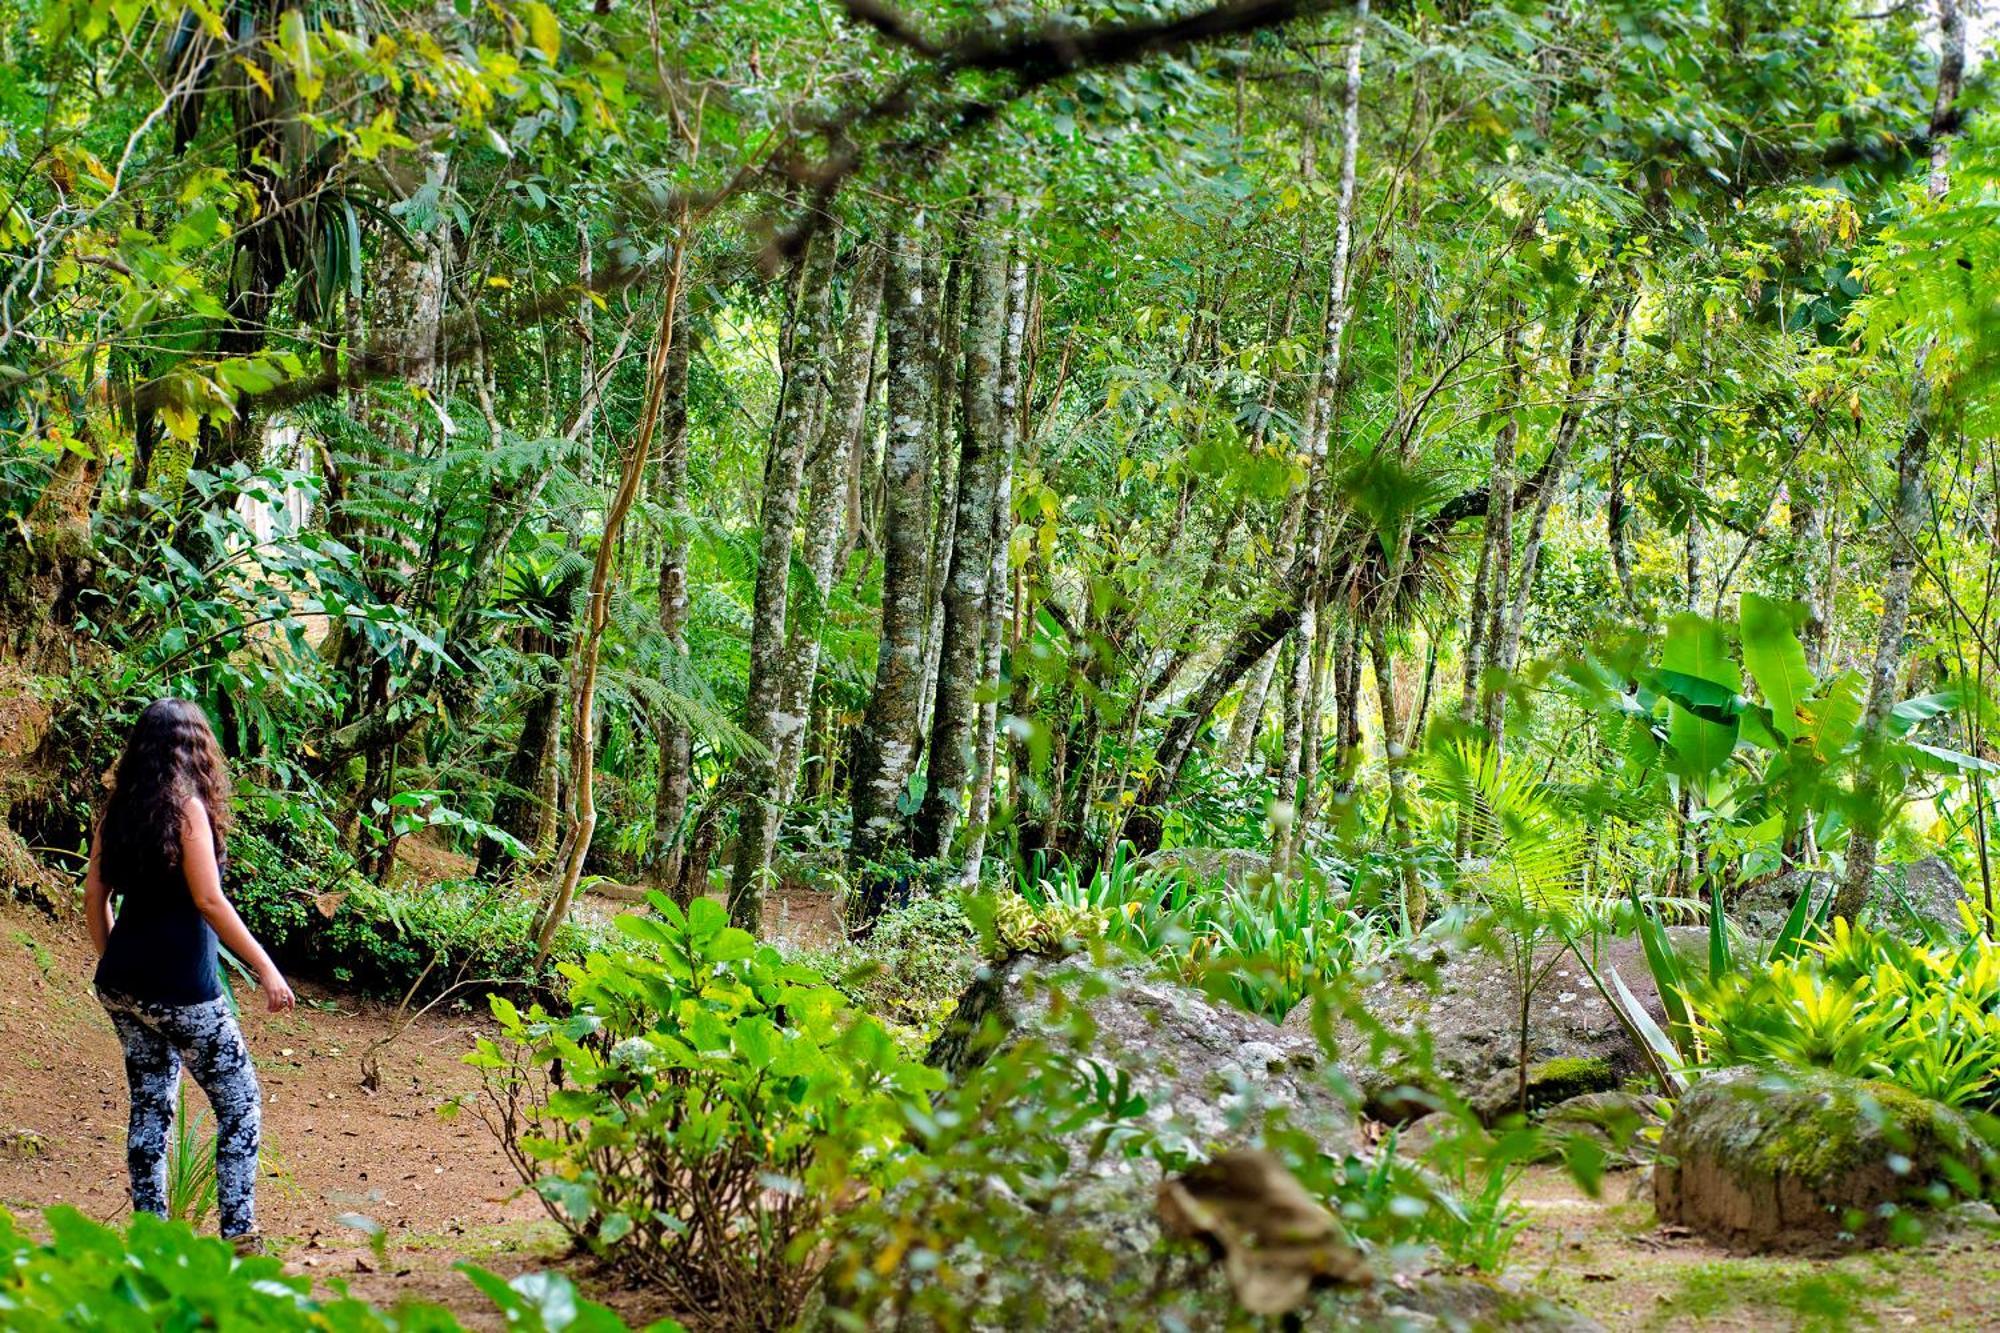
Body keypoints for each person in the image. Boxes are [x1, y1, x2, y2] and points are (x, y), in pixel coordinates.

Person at [83, 698, 295, 1246]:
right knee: (241, 1104)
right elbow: (209, 899)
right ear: (196, 749)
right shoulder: (186, 809)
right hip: (183, 989)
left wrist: (114, 962)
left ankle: (150, 1238)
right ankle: (239, 1235)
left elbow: (94, 895)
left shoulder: (118, 809)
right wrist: (268, 969)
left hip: (122, 985)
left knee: (151, 1105)